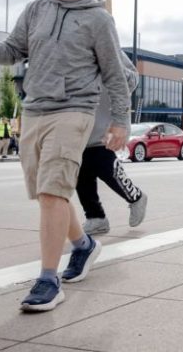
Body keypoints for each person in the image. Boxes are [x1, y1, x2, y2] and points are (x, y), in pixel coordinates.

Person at [0, 0, 130, 311]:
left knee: (54, 192)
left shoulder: (98, 19)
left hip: (75, 109)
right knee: (47, 194)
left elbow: (115, 75)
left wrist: (120, 120)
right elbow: (9, 53)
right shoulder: (36, 10)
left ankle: (48, 280)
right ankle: (84, 246)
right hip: (35, 109)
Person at [76, 51, 147, 235]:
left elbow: (133, 80)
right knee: (81, 173)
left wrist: (110, 68)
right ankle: (95, 217)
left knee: (104, 164)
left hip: (105, 123)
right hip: (81, 126)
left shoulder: (109, 46)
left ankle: (136, 197)